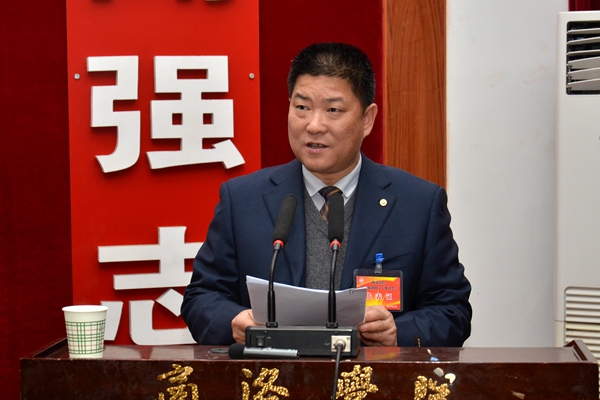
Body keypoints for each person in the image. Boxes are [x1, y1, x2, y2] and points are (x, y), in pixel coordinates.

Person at [182, 42, 472, 347]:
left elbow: (452, 311)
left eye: (333, 110)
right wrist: (234, 321)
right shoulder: (243, 199)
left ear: (367, 119)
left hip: (371, 376)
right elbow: (201, 298)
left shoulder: (417, 203)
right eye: (302, 107)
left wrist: (397, 332)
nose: (314, 125)